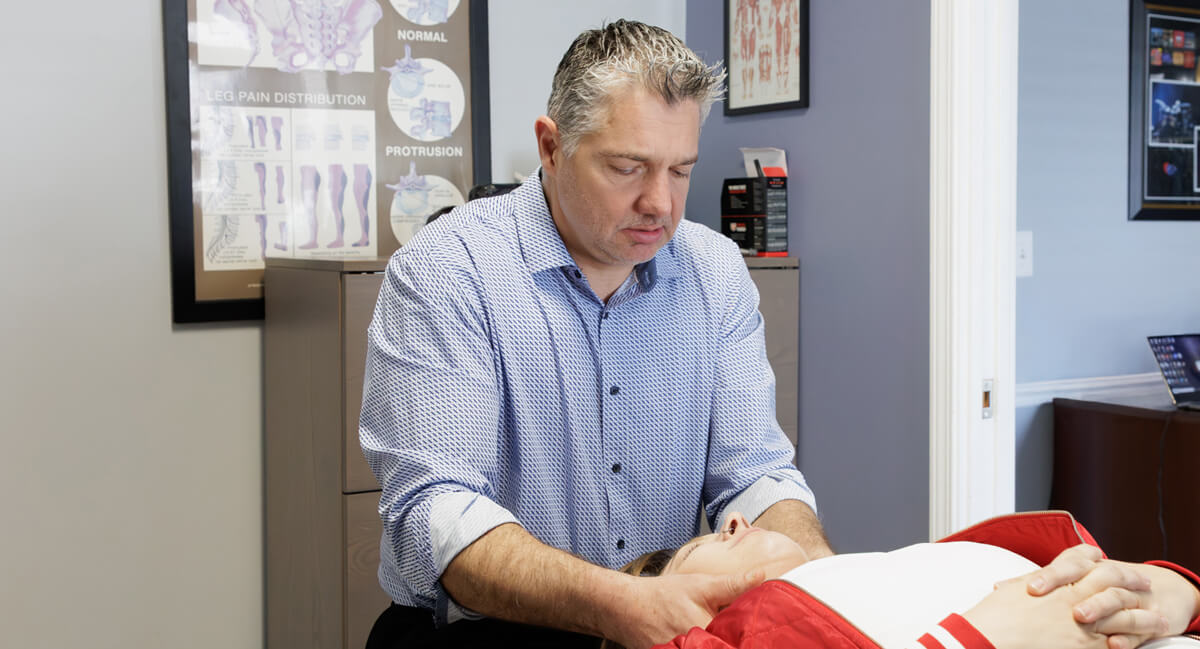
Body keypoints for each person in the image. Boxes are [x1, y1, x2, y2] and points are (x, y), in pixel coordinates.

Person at [359, 19, 832, 649]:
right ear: (551, 148)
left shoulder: (714, 272)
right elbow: (437, 512)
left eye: (680, 170)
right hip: (487, 630)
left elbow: (755, 472)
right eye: (629, 168)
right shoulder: (450, 270)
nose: (660, 204)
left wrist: (826, 584)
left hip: (659, 623)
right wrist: (621, 604)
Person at [621, 511, 1200, 649]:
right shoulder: (756, 626)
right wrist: (981, 637)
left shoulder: (910, 557)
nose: (735, 519)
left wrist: (1171, 592)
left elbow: (1116, 579)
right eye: (705, 544)